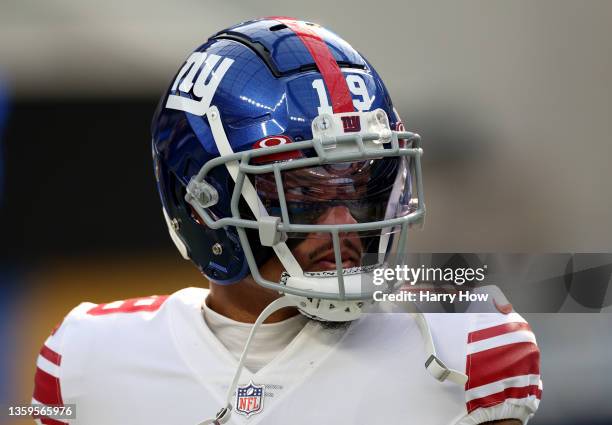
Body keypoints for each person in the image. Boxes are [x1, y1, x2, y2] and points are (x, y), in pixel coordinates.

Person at [32, 17, 541, 425]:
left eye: (361, 186)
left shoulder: (468, 346)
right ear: (203, 207)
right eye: (302, 192)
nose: (343, 223)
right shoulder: (85, 362)